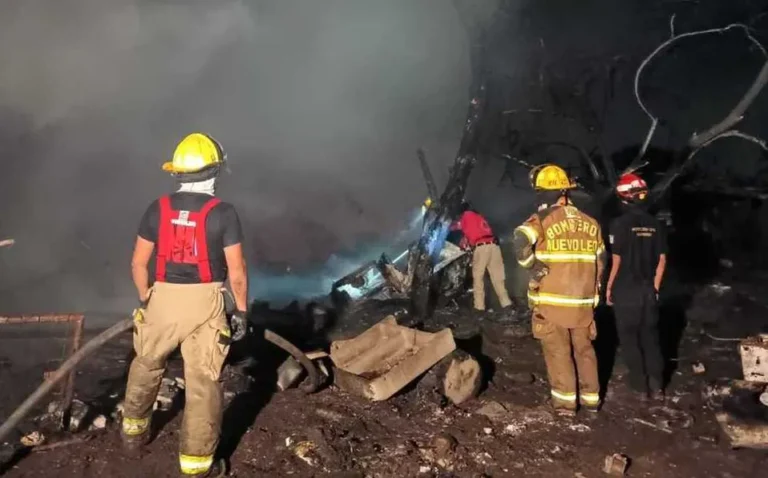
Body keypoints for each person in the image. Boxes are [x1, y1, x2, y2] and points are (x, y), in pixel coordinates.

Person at [121, 133, 249, 477]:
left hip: (162, 296)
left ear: (177, 173)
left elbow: (137, 264)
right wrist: (241, 310)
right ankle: (196, 466)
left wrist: (146, 296)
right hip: (206, 301)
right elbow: (236, 272)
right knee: (203, 382)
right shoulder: (223, 213)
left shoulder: (156, 209)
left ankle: (133, 436)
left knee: (146, 363)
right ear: (214, 171)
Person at [513, 164, 605, 417]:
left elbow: (520, 239)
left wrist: (532, 266)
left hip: (552, 302)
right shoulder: (591, 222)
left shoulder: (542, 220)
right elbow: (601, 261)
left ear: (541, 192)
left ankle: (565, 406)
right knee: (585, 351)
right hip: (583, 303)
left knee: (558, 352)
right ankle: (592, 400)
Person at [606, 172, 667, 401]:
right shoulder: (656, 224)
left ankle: (640, 388)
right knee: (650, 338)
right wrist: (655, 288)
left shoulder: (619, 224)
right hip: (648, 291)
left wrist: (609, 288)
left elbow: (617, 261)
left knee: (630, 339)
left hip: (625, 291)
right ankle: (658, 387)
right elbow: (662, 260)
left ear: (623, 198)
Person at [451, 201, 513, 313]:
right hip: (494, 247)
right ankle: (507, 305)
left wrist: (448, 226)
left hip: (481, 248)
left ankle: (479, 308)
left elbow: (456, 227)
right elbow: (470, 234)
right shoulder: (480, 217)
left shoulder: (466, 216)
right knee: (498, 279)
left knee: (478, 279)